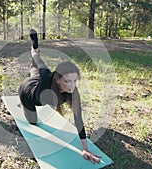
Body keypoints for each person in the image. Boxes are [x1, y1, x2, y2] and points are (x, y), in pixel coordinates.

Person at [18, 29, 101, 163]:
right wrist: (34, 52)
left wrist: (85, 148)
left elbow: (78, 118)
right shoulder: (47, 77)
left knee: (35, 72)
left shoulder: (72, 91)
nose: (71, 86)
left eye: (75, 81)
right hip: (28, 92)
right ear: (58, 79)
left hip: (39, 82)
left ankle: (35, 45)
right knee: (33, 121)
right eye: (67, 81)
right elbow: (38, 60)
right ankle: (34, 45)